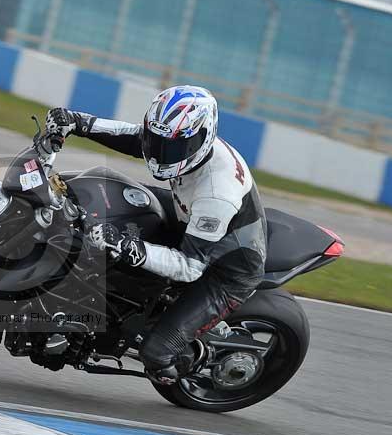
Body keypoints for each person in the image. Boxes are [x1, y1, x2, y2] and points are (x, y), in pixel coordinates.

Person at [45, 85, 267, 385]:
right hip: (187, 215)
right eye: (158, 141)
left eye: (171, 148)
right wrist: (79, 122)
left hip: (225, 267)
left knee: (157, 355)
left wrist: (130, 248)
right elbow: (136, 137)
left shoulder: (218, 193)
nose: (161, 153)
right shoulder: (181, 142)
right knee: (104, 203)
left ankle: (177, 371)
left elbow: (190, 267)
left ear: (201, 138)